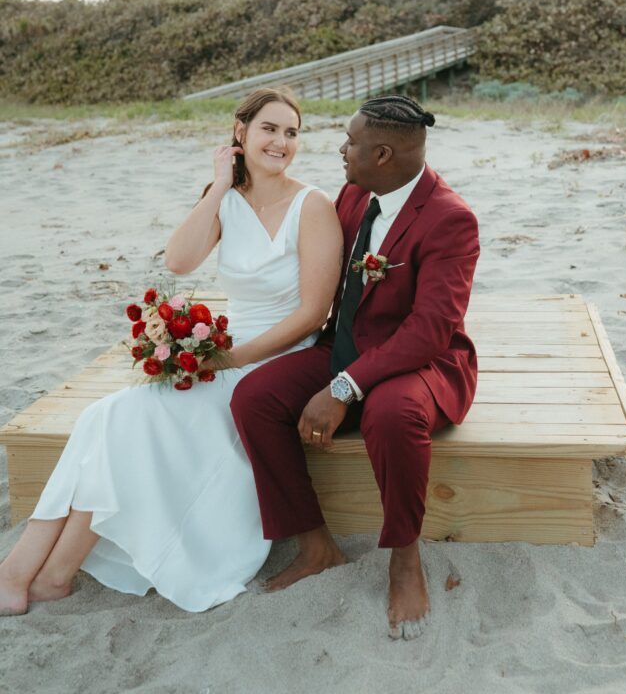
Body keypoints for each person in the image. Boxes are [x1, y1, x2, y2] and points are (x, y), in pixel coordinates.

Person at [0, 88, 342, 615]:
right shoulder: (226, 199)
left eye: (291, 132)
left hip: (275, 362)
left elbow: (312, 314)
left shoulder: (312, 204)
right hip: (226, 354)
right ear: (240, 132)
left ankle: (29, 573)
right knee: (104, 417)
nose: (280, 142)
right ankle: (41, 576)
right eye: (269, 129)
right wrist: (219, 187)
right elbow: (180, 262)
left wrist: (230, 359)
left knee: (121, 421)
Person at [231, 95, 479, 641]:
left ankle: (404, 558)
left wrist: (344, 385)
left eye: (351, 142)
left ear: (383, 153)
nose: (342, 150)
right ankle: (315, 545)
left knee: (388, 416)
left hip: (421, 364)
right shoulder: (354, 193)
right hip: (346, 346)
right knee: (254, 398)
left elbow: (430, 330)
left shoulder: (449, 219)